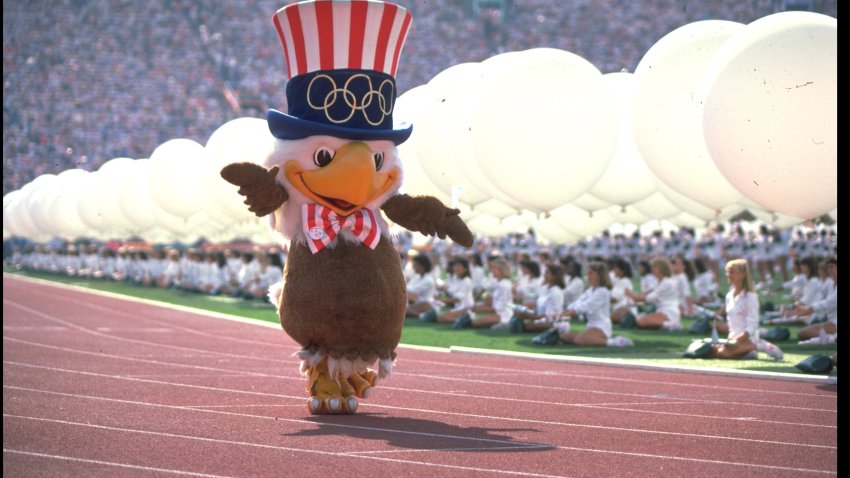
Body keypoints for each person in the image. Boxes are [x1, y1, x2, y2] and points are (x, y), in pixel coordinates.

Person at [710, 259, 783, 360]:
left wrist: (737, 341)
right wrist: (729, 341)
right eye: (728, 272)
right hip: (732, 339)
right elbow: (732, 325)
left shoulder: (750, 296)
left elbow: (752, 325)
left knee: (723, 354)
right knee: (713, 351)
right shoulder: (729, 296)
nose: (728, 275)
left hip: (747, 338)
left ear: (743, 274)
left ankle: (758, 345)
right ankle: (747, 353)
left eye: (732, 272)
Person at [555, 261, 631, 346]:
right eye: (588, 273)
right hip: (591, 326)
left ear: (599, 275)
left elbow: (587, 305)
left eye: (591, 273)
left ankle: (615, 342)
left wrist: (572, 312)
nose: (588, 276)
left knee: (578, 340)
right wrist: (568, 309)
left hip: (602, 327)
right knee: (564, 337)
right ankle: (586, 337)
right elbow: (579, 301)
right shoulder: (590, 290)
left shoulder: (603, 291)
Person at [624, 256, 682, 331]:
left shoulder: (667, 283)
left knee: (641, 321)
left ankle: (671, 324)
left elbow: (648, 298)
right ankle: (667, 324)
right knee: (640, 320)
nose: (652, 269)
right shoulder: (660, 282)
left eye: (655, 267)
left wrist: (631, 295)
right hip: (662, 310)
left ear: (662, 268)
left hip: (669, 312)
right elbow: (647, 294)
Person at [790, 256, 837, 343]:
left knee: (803, 333)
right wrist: (804, 309)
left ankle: (833, 339)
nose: (829, 270)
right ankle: (832, 338)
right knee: (803, 333)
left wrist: (809, 309)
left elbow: (829, 302)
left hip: (834, 322)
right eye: (828, 268)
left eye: (832, 267)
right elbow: (820, 300)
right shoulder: (831, 283)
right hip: (830, 320)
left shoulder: (828, 282)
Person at [511, 263, 565, 333]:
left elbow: (552, 314)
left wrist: (533, 316)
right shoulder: (544, 288)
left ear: (554, 276)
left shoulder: (556, 292)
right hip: (541, 316)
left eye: (547, 273)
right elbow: (537, 302)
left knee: (528, 326)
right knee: (519, 312)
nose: (544, 275)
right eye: (545, 272)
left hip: (551, 319)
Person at [466, 257, 515, 330]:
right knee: (476, 321)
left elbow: (499, 308)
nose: (492, 270)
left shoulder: (504, 285)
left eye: (495, 268)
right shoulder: (499, 283)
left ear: (502, 270)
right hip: (498, 313)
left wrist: (480, 309)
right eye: (492, 268)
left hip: (503, 315)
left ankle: (504, 324)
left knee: (475, 322)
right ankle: (495, 324)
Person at [406, 253, 438, 318]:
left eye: (415, 265)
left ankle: (423, 316)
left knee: (404, 310)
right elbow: (408, 289)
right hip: (418, 302)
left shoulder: (428, 280)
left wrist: (400, 285)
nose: (413, 267)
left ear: (422, 266)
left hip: (427, 304)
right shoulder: (417, 277)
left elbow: (412, 290)